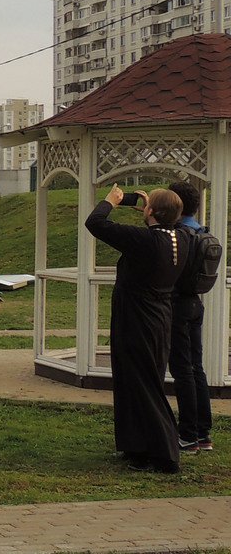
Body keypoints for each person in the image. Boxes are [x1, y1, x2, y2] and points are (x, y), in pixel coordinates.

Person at [84, 184, 189, 473]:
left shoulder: (144, 240)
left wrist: (111, 201)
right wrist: (149, 207)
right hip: (160, 314)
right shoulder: (181, 236)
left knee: (142, 383)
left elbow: (96, 223)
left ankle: (165, 453)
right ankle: (137, 448)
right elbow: (168, 220)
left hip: (137, 316)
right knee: (137, 379)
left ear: (152, 212)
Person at [168, 180, 213, 453]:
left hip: (177, 305)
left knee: (182, 370)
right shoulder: (201, 232)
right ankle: (203, 433)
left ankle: (187, 435)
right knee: (196, 367)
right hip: (196, 304)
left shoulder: (180, 235)